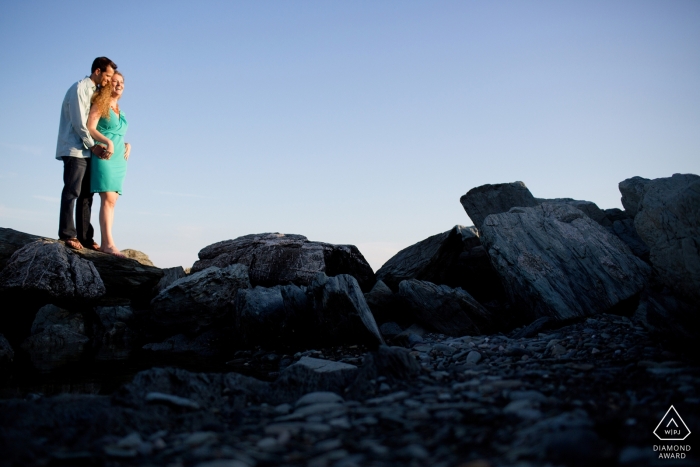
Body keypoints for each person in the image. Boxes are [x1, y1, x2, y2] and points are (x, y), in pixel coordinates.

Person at [56, 57, 117, 251]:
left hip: (87, 150)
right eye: (107, 76)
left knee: (86, 195)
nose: (109, 80)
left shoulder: (95, 91)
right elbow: (79, 123)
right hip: (75, 148)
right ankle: (67, 234)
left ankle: (85, 238)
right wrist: (93, 146)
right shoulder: (80, 88)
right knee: (72, 190)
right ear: (97, 71)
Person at [87, 71, 131, 257]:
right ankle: (109, 243)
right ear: (106, 84)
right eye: (115, 81)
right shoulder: (100, 104)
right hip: (104, 154)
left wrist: (128, 144)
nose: (119, 85)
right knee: (108, 199)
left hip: (119, 157)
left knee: (113, 201)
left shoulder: (119, 110)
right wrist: (108, 142)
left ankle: (106, 243)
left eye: (121, 82)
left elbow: (119, 133)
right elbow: (89, 127)